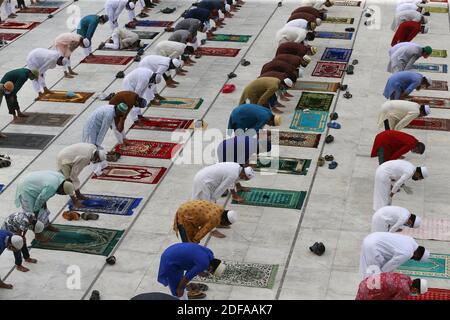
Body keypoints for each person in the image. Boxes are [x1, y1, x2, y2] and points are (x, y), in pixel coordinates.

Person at [158, 243, 225, 299]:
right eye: (211, 272)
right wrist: (180, 289)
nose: (209, 272)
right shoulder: (203, 264)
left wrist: (200, 271)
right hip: (170, 260)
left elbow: (195, 260)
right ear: (211, 267)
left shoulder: (209, 254)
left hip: (174, 251)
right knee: (176, 291)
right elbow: (186, 278)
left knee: (179, 284)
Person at [81, 103, 129, 174]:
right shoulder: (109, 115)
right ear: (119, 111)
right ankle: (96, 170)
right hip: (91, 128)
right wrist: (97, 143)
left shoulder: (113, 109)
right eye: (121, 114)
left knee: (98, 149)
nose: (121, 116)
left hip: (96, 126)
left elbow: (113, 125)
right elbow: (103, 131)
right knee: (94, 149)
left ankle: (103, 165)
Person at [359, 232, 429, 279]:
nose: (412, 259)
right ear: (418, 255)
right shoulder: (408, 253)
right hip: (373, 246)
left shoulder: (411, 240)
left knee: (367, 268)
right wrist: (383, 276)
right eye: (415, 258)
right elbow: (390, 265)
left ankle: (365, 288)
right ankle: (367, 292)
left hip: (370, 237)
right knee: (374, 274)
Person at [173, 200, 238, 241]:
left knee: (193, 234)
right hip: (185, 214)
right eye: (225, 224)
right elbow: (202, 232)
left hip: (187, 206)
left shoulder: (220, 209)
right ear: (224, 220)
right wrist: (194, 242)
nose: (223, 225)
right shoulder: (215, 220)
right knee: (188, 240)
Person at [356, 272, 427, 300]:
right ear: (415, 289)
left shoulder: (406, 277)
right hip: (369, 291)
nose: (416, 294)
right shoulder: (405, 290)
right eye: (417, 292)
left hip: (366, 282)